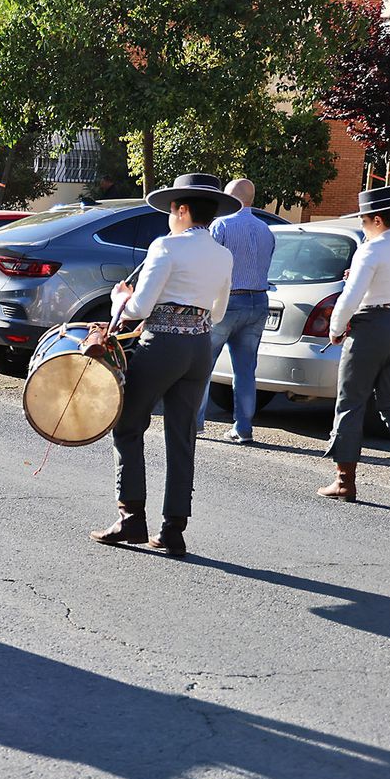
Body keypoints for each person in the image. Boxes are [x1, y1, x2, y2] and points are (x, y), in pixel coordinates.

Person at [92, 173, 236, 559]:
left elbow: (137, 308)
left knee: (127, 423)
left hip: (163, 344)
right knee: (182, 435)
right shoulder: (223, 254)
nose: (170, 216)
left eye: (173, 210)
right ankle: (173, 529)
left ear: (182, 209)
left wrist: (118, 296)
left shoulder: (166, 247)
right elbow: (218, 312)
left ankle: (131, 517)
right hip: (200, 347)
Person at [317, 183, 390, 509]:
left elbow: (350, 299)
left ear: (377, 219)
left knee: (351, 400)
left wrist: (336, 329)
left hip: (371, 327)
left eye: (363, 219)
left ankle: (344, 481)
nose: (362, 225)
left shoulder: (371, 249)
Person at [197, 178, 275, 443]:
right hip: (259, 301)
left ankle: (195, 423)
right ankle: (243, 427)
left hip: (228, 301)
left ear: (230, 198)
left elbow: (209, 261)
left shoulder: (221, 225)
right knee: (245, 369)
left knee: (202, 365)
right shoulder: (266, 229)